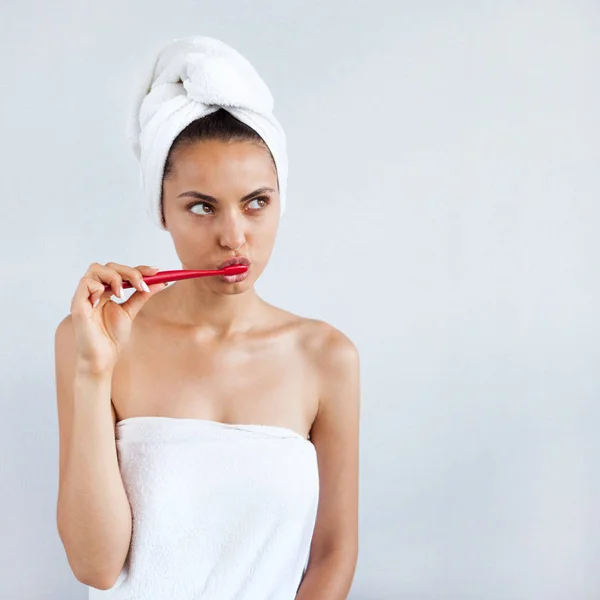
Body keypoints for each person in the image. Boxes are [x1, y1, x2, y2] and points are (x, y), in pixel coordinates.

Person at [54, 36, 360, 600]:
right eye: (201, 206)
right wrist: (94, 372)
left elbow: (332, 554)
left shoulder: (326, 357)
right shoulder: (90, 338)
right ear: (162, 212)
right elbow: (95, 566)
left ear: (279, 202)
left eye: (256, 202)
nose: (233, 236)